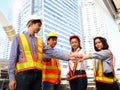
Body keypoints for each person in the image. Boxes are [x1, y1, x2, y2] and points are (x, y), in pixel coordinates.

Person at [8, 15, 76, 90]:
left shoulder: (40, 42)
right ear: (31, 23)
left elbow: (52, 52)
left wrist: (69, 57)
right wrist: (11, 78)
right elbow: (12, 58)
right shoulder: (18, 37)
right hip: (23, 74)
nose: (40, 28)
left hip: (38, 75)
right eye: (39, 25)